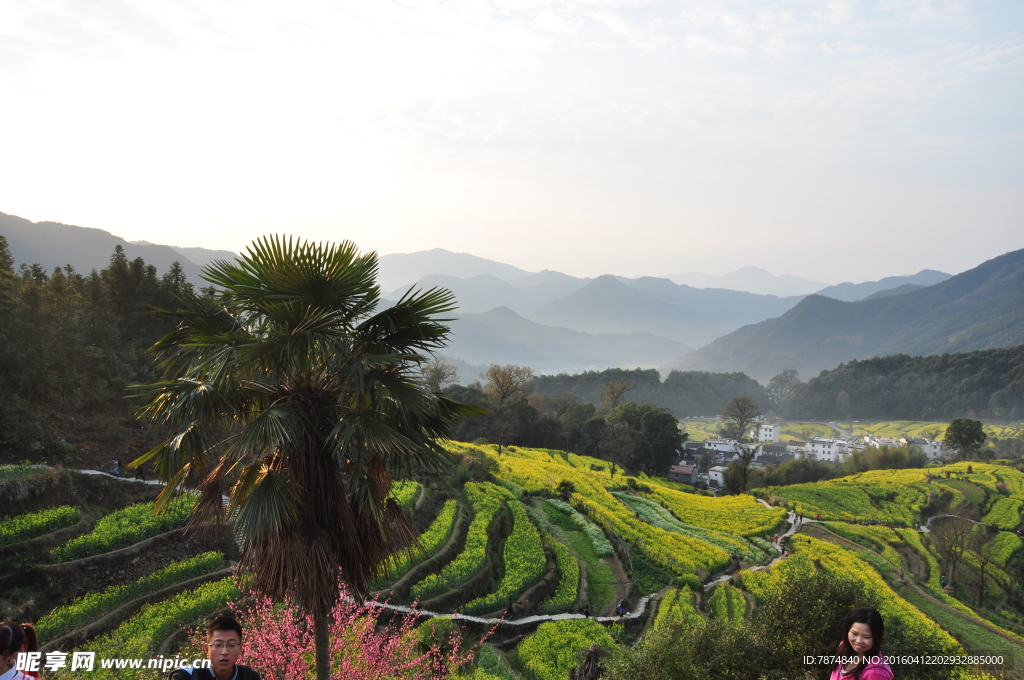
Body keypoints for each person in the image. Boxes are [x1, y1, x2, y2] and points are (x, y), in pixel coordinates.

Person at [169, 616, 261, 680]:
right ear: (207, 649)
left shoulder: (249, 676)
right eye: (218, 645)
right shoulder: (187, 676)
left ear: (240, 648)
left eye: (232, 645)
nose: (224, 652)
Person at [830, 607, 893, 680]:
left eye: (867, 637)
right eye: (854, 633)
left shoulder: (876, 673)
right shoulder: (844, 648)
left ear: (877, 638)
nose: (859, 641)